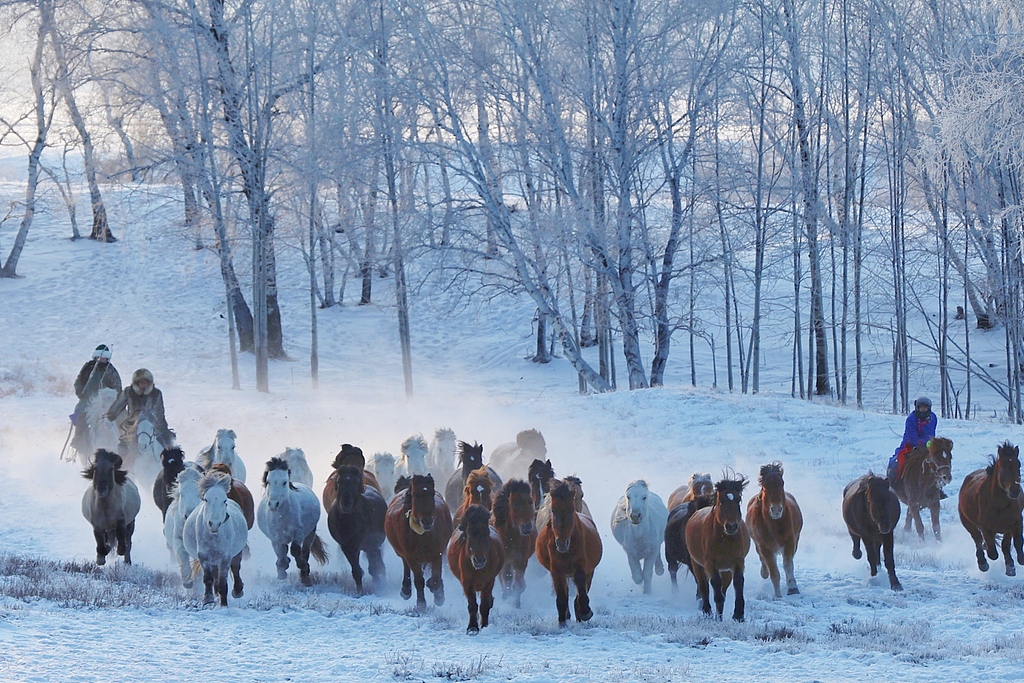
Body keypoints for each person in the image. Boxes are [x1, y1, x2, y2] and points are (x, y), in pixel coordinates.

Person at [106, 368, 174, 457]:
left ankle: (171, 463)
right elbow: (119, 404)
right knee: (123, 445)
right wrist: (111, 414)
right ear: (136, 383)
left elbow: (159, 411)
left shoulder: (156, 393)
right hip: (133, 424)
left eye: (145, 382)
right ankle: (122, 464)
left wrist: (154, 424)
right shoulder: (129, 392)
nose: (143, 385)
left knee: (168, 440)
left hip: (154, 423)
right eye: (141, 382)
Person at [69, 345, 122, 455]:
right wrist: (80, 392)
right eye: (98, 357)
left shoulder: (111, 370)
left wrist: (110, 395)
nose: (100, 360)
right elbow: (78, 381)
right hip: (87, 400)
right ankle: (78, 438)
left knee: (122, 416)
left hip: (106, 402)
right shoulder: (88, 368)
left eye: (103, 358)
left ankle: (124, 441)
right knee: (80, 414)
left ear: (107, 359)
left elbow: (118, 387)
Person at [887, 396, 937, 486]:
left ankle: (937, 485)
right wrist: (924, 443)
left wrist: (931, 443)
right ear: (917, 408)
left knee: (938, 462)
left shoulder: (933, 418)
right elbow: (912, 437)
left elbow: (931, 433)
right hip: (910, 446)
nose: (923, 410)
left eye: (925, 408)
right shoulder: (911, 419)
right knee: (897, 462)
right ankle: (893, 483)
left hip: (928, 447)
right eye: (921, 407)